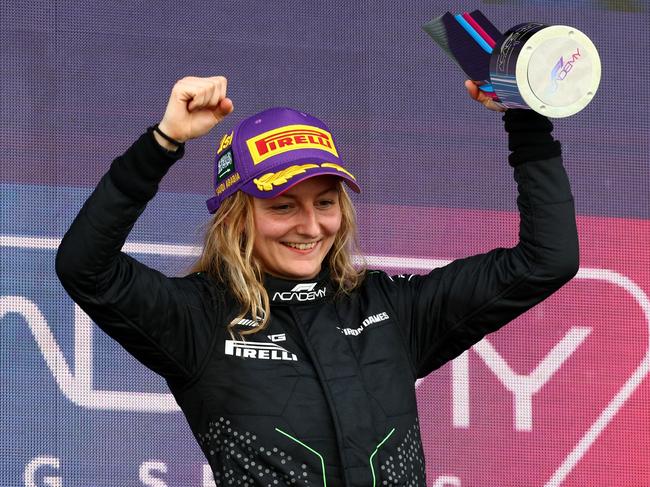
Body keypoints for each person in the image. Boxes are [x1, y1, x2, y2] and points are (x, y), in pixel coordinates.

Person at [56, 76, 579, 486]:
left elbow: (546, 261)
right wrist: (163, 142)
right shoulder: (198, 319)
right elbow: (86, 266)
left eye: (326, 203)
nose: (310, 226)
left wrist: (525, 120)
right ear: (236, 215)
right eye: (283, 206)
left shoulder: (392, 309)